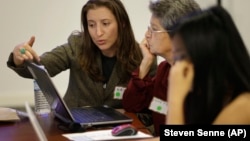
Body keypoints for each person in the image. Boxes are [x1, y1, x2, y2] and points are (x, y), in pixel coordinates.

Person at [7, 0, 148, 109]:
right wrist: (19, 58)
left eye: (105, 23)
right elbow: (40, 68)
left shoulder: (141, 57)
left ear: (122, 23)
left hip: (119, 130)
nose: (98, 32)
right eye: (91, 25)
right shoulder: (77, 46)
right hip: (75, 127)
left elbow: (148, 108)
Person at [122, 0, 201, 136]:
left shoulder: (199, 75)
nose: (147, 35)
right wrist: (146, 63)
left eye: (153, 29)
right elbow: (132, 105)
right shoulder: (164, 69)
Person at [167, 5, 250, 124]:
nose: (176, 67)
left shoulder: (244, 106)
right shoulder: (210, 95)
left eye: (182, 57)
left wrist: (175, 99)